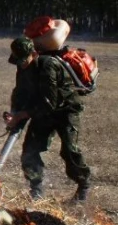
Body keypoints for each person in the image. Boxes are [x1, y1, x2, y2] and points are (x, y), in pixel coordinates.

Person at [5, 36, 91, 202]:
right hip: (41, 111)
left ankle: (83, 187)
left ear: (34, 54)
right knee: (30, 151)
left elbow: (50, 102)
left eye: (24, 60)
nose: (22, 64)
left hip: (65, 110)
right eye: (19, 61)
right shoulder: (22, 67)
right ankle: (36, 191)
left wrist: (23, 115)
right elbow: (20, 92)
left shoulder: (48, 65)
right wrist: (13, 112)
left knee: (69, 150)